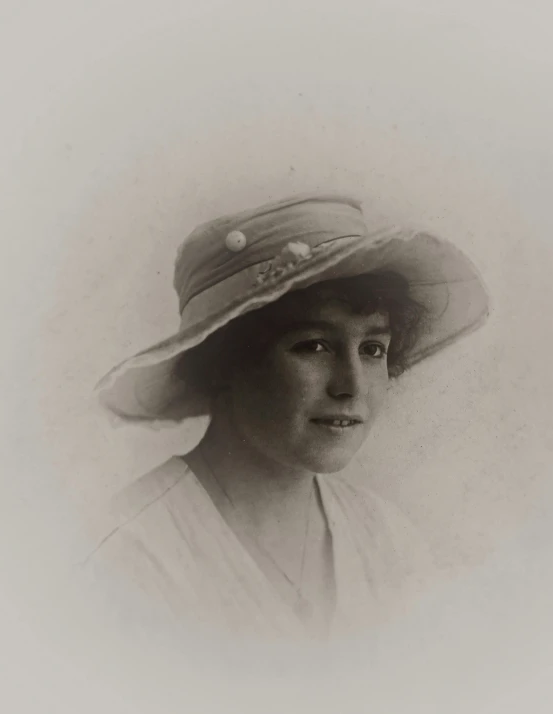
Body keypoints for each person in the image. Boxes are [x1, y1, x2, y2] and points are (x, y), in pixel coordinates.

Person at [88, 193, 489, 641]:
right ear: (225, 360)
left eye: (373, 349)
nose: (352, 385)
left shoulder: (389, 541)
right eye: (314, 346)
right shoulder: (131, 552)